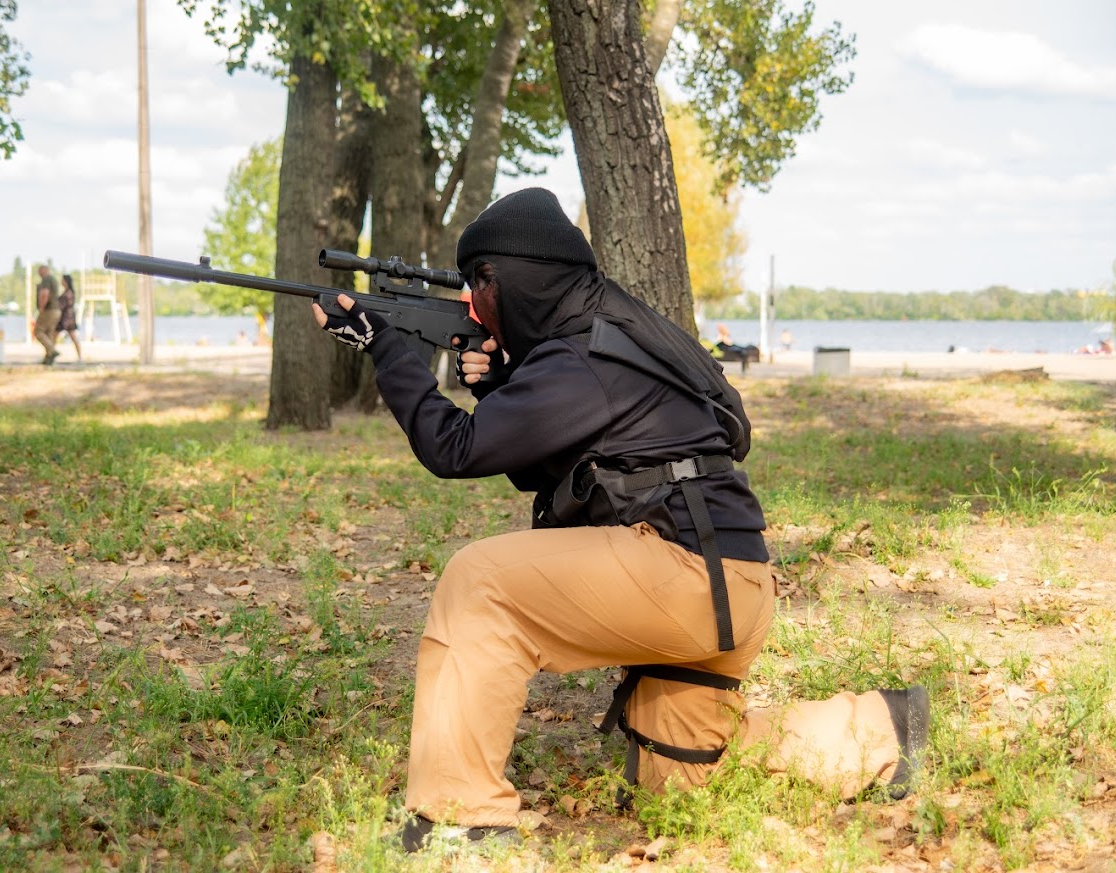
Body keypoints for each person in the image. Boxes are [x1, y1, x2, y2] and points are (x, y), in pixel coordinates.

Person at [312, 188, 929, 853]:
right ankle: (881, 726)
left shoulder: (575, 358)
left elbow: (454, 449)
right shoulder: (611, 335)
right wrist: (494, 389)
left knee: (477, 581)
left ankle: (459, 818)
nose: (471, 303)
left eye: (477, 286)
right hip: (734, 584)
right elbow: (546, 462)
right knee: (674, 773)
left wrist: (387, 352)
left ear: (508, 282)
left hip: (687, 578)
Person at [33, 265, 62, 365]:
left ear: (45, 270)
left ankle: (52, 350)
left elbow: (44, 294)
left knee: (38, 331)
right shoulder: (53, 279)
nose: (39, 273)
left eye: (40, 271)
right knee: (49, 332)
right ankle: (49, 358)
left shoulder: (46, 279)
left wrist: (41, 307)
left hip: (49, 309)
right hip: (57, 310)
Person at [55, 274, 83, 362]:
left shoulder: (69, 293)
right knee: (54, 336)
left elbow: (63, 305)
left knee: (72, 337)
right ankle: (50, 354)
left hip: (67, 318)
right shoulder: (67, 291)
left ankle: (79, 357)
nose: (61, 282)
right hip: (65, 317)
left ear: (66, 281)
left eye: (62, 280)